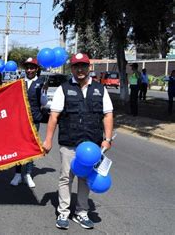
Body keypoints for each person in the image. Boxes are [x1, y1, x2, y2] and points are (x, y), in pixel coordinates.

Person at [42, 53, 113, 230]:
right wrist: (48, 140)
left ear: (89, 67)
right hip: (69, 143)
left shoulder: (100, 89)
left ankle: (81, 212)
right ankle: (64, 212)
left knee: (85, 179)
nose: (80, 69)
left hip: (91, 145)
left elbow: (108, 114)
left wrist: (108, 138)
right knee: (66, 178)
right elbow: (54, 116)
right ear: (71, 68)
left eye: (83, 66)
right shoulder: (63, 89)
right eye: (76, 66)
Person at [10, 58, 47, 188]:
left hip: (34, 119)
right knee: (18, 146)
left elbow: (44, 103)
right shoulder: (19, 82)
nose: (29, 70)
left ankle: (28, 174)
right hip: (20, 119)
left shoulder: (41, 83)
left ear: (36, 69)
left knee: (31, 147)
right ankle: (18, 174)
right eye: (28, 68)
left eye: (32, 68)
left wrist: (44, 92)